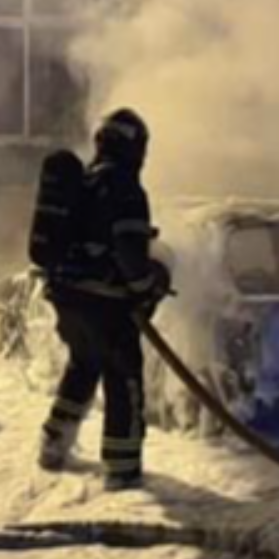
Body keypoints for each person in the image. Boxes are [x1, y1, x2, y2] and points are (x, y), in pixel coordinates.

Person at [37, 108, 168, 491]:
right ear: (133, 148)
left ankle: (53, 444)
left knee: (83, 366)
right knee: (124, 381)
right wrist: (147, 287)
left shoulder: (84, 182)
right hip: (106, 307)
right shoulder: (125, 188)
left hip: (68, 298)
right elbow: (129, 251)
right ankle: (122, 471)